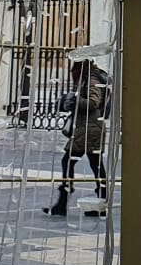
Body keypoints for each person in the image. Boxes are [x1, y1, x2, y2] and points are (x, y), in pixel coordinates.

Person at [44, 60, 110, 218]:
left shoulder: (91, 80)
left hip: (89, 130)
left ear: (79, 70)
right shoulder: (86, 80)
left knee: (69, 162)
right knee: (95, 166)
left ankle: (64, 202)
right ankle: (99, 203)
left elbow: (94, 102)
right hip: (86, 129)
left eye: (73, 71)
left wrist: (75, 101)